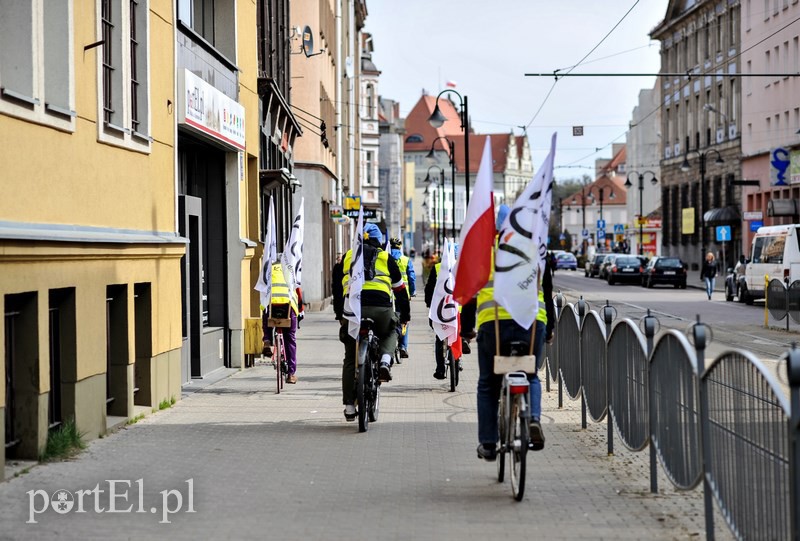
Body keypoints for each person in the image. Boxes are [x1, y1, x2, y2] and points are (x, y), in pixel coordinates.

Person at [463, 204, 556, 461]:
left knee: (488, 384)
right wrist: (550, 330)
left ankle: (489, 444)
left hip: (492, 325)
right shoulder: (535, 250)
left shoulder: (486, 250)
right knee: (531, 375)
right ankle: (534, 419)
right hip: (532, 323)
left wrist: (465, 328)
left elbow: (471, 295)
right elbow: (547, 294)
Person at [334, 223, 411, 421]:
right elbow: (401, 290)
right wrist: (405, 315)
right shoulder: (386, 258)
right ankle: (385, 360)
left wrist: (339, 315)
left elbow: (336, 288)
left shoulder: (348, 256)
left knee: (350, 357)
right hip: (381, 309)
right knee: (391, 329)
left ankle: (350, 407)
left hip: (353, 311)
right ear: (379, 241)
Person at [262, 259, 304, 383]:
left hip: (272, 307)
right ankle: (291, 374)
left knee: (266, 318)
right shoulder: (291, 272)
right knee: (290, 340)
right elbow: (298, 294)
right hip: (288, 309)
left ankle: (267, 340)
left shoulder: (269, 272)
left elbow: (262, 292)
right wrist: (300, 311)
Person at [389, 237, 416, 358]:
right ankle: (403, 346)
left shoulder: (386, 258)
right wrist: (412, 291)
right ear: (400, 246)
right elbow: (412, 278)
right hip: (402, 295)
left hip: (388, 294)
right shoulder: (406, 260)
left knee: (389, 320)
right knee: (404, 320)